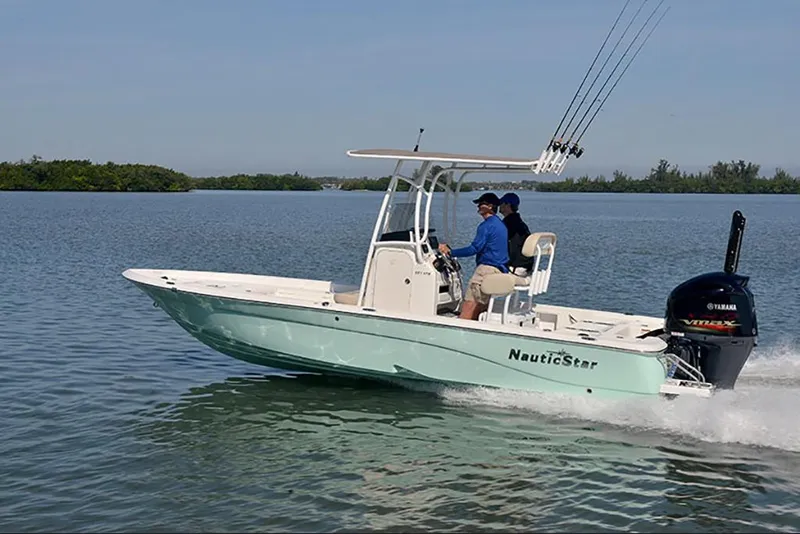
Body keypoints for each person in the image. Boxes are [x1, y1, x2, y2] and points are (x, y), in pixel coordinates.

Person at [438, 192, 509, 320]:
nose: (478, 206)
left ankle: (460, 329)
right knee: (480, 306)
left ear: (490, 206)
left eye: (481, 204)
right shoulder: (500, 224)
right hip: (498, 269)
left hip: (485, 270)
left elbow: (474, 249)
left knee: (469, 305)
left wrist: (450, 252)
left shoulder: (486, 226)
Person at [498, 192, 533, 275]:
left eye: (501, 203)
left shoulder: (507, 225)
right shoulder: (521, 224)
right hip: (526, 267)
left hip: (514, 268)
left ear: (507, 205)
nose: (499, 205)